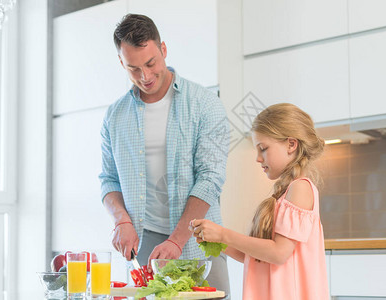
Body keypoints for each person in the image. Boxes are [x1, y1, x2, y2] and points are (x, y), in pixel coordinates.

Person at [99, 14, 230, 293]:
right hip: (144, 245)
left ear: (164, 50)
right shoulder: (115, 116)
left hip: (199, 239)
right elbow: (108, 179)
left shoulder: (205, 103)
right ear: (122, 63)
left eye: (150, 63)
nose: (145, 77)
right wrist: (121, 220)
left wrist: (177, 240)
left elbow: (211, 177)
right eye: (133, 69)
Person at [189, 103, 329, 299]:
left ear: (291, 144)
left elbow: (279, 253)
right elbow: (256, 257)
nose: (258, 158)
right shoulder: (285, 193)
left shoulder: (300, 188)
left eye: (263, 148)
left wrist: (223, 233)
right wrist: (217, 239)